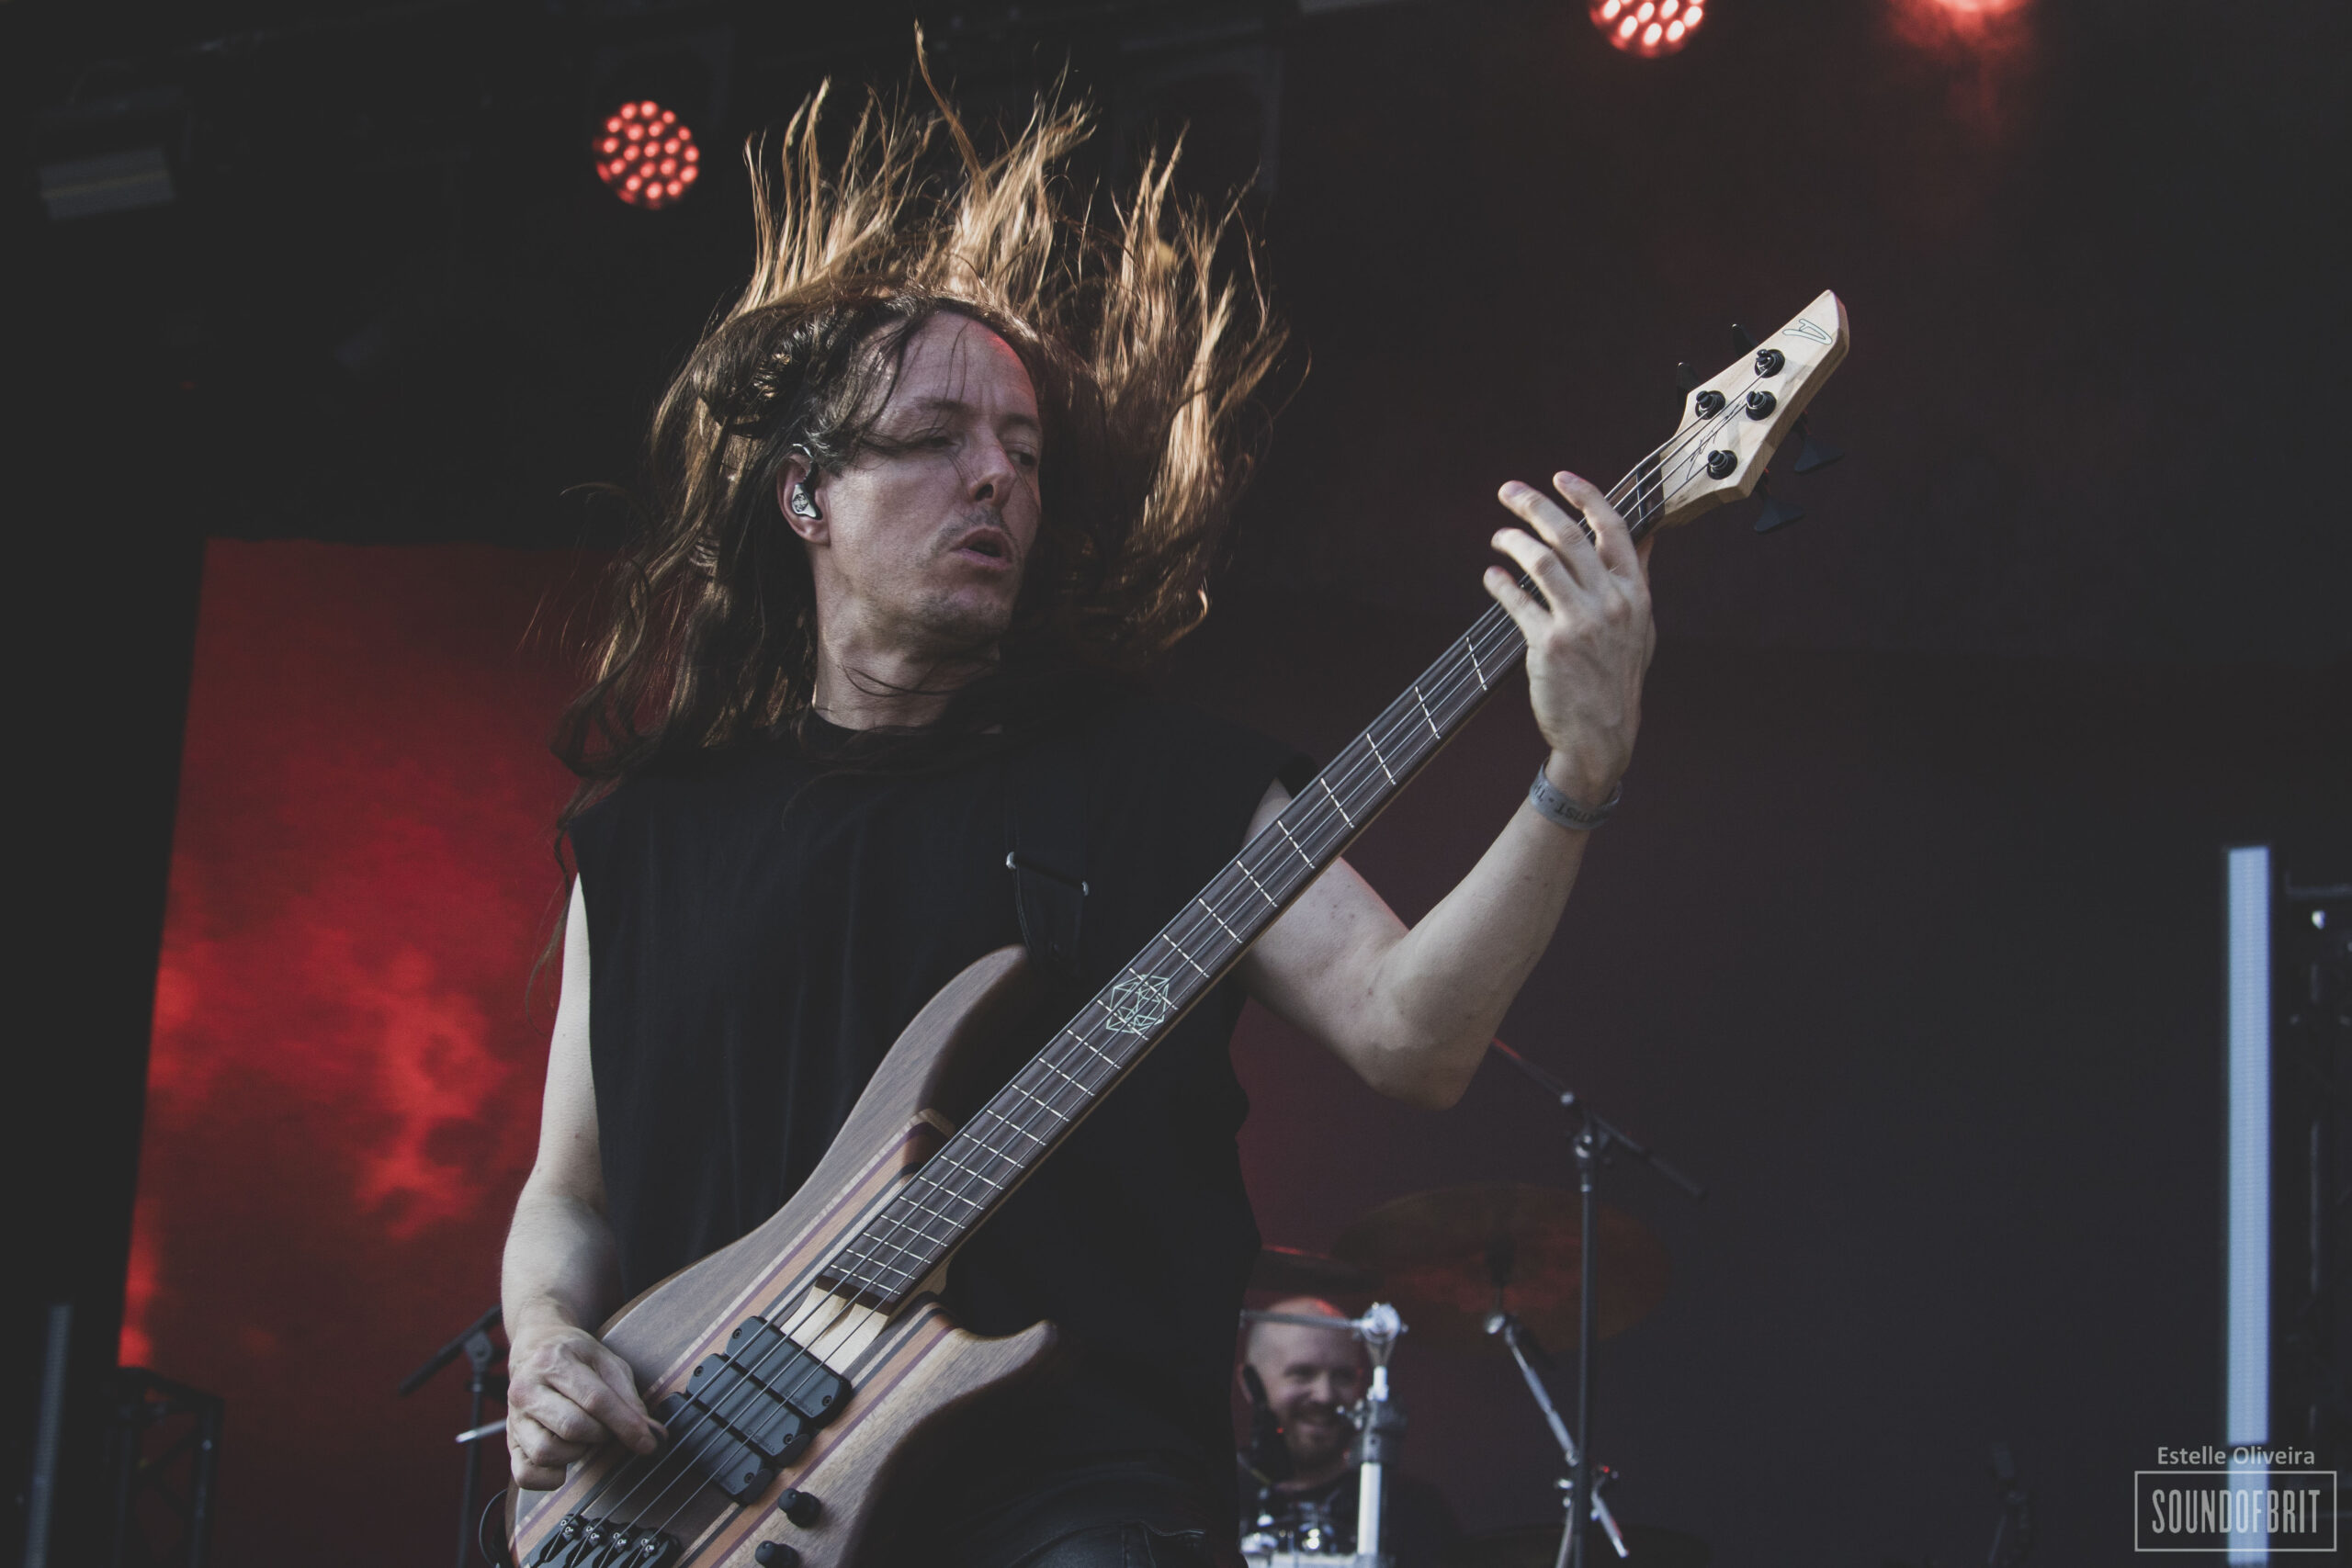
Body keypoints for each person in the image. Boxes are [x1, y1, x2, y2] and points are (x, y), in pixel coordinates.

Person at [499, 67, 1655, 1568]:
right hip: (698, 1507)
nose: (993, 475)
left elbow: (1411, 1033)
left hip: (1067, 1500)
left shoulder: (1159, 783)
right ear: (805, 496)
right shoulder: (650, 833)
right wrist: (545, 1337)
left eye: (1024, 453)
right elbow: (570, 1192)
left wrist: (1576, 771)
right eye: (935, 437)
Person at [1238, 1297, 1459, 1567]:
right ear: (1250, 1384)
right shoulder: (1212, 1497)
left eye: (1342, 1376)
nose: (1324, 1395)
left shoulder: (1416, 1513)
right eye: (1302, 1373)